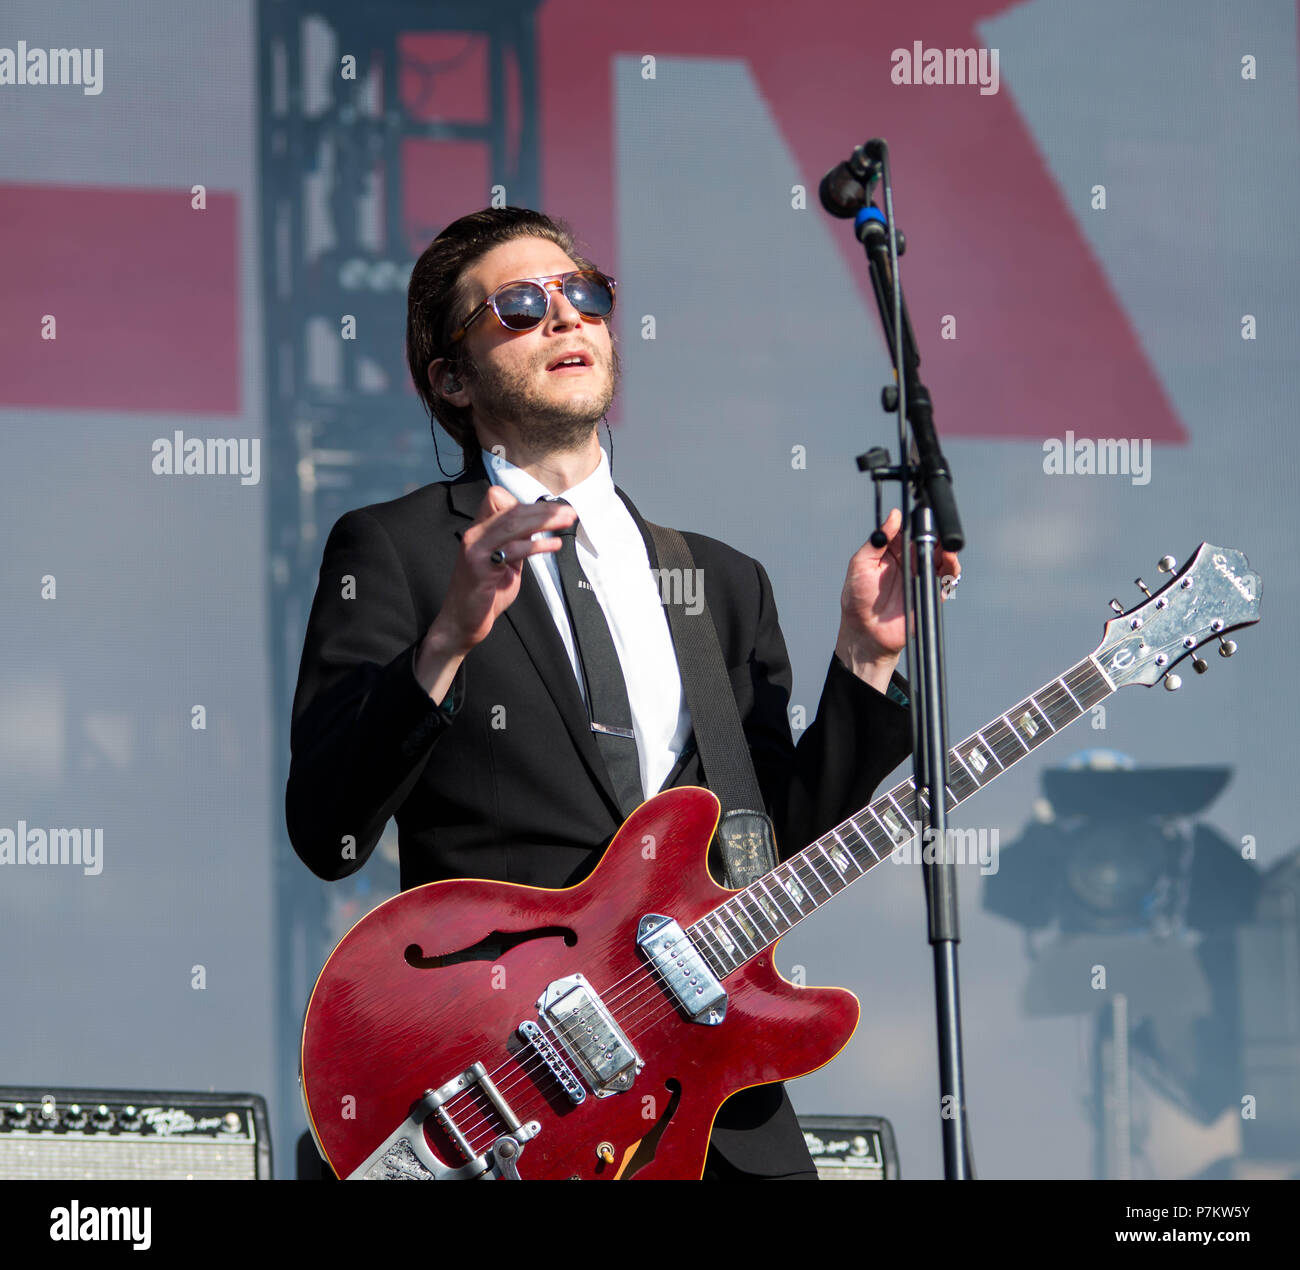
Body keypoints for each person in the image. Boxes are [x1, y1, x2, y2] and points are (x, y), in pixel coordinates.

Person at [286, 206, 959, 1179]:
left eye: (584, 296)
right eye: (518, 307)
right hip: (510, 1096)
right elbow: (328, 830)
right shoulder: (395, 549)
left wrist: (865, 659)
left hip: (708, 1119)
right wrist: (445, 643)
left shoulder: (721, 583)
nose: (564, 319)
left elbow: (764, 856)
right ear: (450, 377)